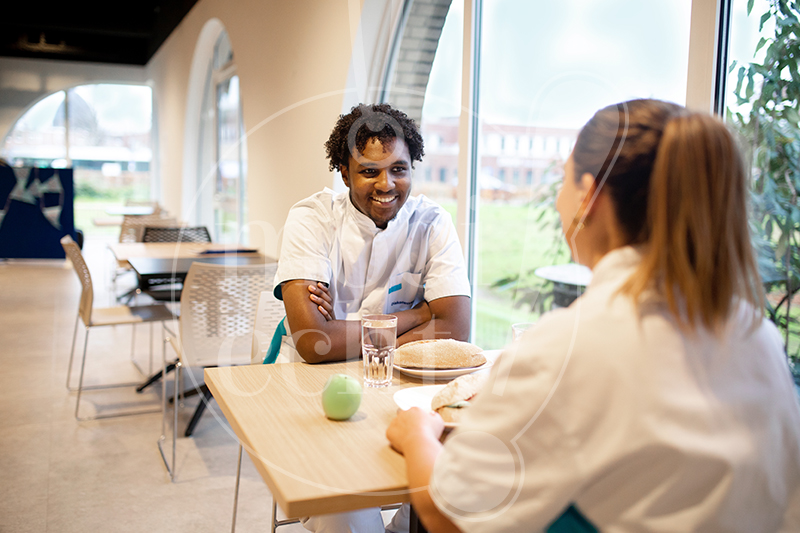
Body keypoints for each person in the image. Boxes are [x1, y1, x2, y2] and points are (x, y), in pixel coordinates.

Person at [387, 99, 800, 532]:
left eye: (563, 180)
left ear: (589, 196)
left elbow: (448, 513)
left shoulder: (570, 347)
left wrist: (417, 434)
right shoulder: (759, 337)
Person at [272, 103, 472, 531]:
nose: (387, 184)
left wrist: (345, 332)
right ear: (344, 173)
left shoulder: (432, 223)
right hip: (315, 391)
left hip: (406, 388)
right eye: (369, 172)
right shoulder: (311, 220)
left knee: (459, 471)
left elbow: (455, 331)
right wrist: (416, 317)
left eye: (399, 169)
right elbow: (313, 342)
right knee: (348, 496)